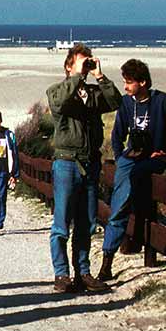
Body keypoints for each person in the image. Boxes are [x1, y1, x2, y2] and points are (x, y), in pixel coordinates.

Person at [99, 59, 166, 280]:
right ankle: (107, 261)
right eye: (124, 82)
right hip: (130, 158)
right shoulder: (125, 103)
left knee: (138, 176)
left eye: (129, 82)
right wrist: (120, 156)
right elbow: (117, 134)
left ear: (143, 82)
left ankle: (138, 236)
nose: (125, 87)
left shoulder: (162, 101)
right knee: (118, 205)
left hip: (155, 160)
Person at [45, 43, 121, 293]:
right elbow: (59, 102)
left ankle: (83, 272)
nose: (86, 65)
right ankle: (62, 274)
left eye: (88, 61)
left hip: (90, 163)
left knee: (87, 223)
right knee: (61, 224)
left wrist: (100, 76)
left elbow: (115, 102)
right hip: (66, 162)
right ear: (68, 66)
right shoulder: (57, 90)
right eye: (81, 61)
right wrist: (77, 76)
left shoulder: (93, 93)